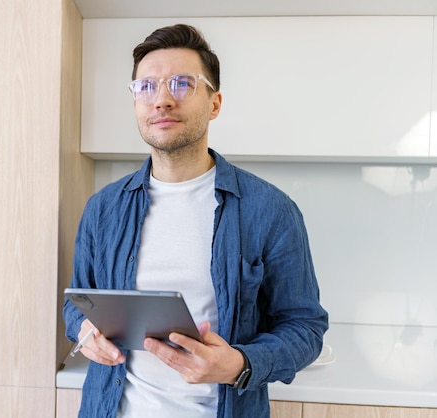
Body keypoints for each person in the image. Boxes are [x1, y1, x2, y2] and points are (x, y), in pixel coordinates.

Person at [63, 23, 329, 418]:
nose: (162, 100)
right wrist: (84, 332)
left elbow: (305, 327)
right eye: (146, 87)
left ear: (215, 103)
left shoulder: (271, 210)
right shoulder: (103, 208)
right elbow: (79, 302)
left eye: (182, 84)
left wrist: (239, 363)